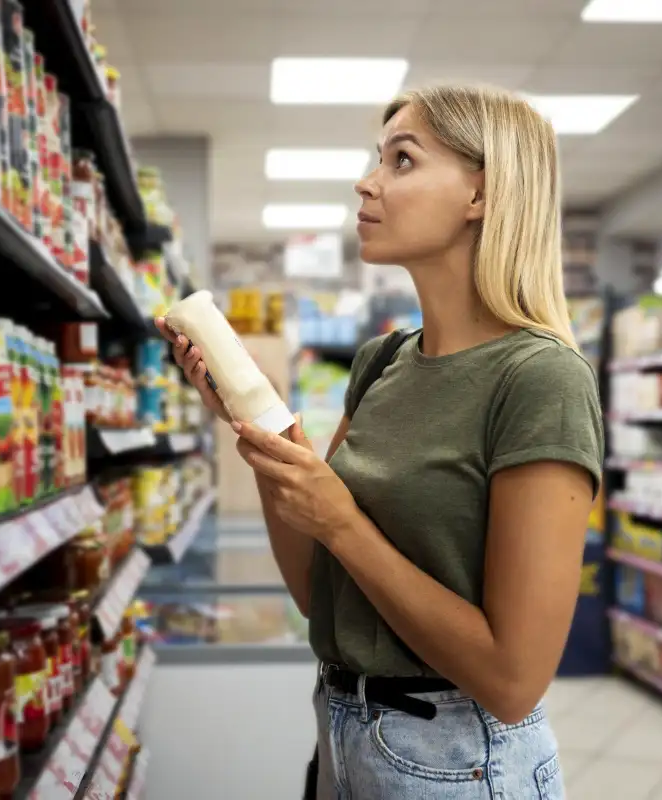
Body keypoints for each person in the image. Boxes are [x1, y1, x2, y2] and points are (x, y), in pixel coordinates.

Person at [155, 84, 603, 799]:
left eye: (402, 160)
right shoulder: (383, 361)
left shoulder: (541, 378)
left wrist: (342, 520)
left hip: (456, 760)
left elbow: (513, 680)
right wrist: (260, 422)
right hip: (341, 732)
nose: (366, 182)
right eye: (377, 159)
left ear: (481, 195)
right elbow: (318, 592)